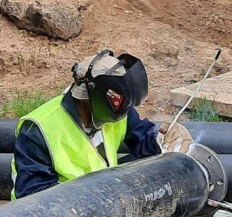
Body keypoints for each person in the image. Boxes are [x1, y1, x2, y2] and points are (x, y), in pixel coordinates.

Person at [11, 50, 161, 200]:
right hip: (60, 207)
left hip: (101, 198)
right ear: (88, 98)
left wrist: (161, 141)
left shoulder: (117, 109)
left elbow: (144, 140)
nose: (125, 109)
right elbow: (33, 195)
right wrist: (100, 195)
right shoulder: (38, 129)